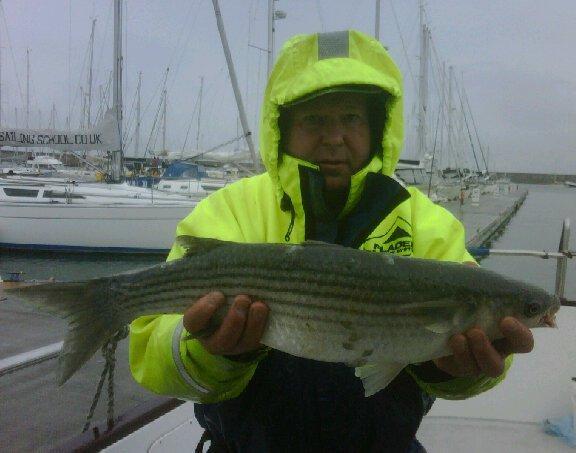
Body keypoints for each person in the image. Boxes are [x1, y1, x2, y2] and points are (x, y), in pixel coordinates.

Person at [129, 30, 534, 452]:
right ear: (282, 127)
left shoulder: (427, 222)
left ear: (377, 127)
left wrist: (456, 370)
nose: (335, 137)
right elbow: (152, 354)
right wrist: (214, 353)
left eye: (352, 119)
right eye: (314, 120)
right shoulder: (227, 211)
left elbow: (477, 358)